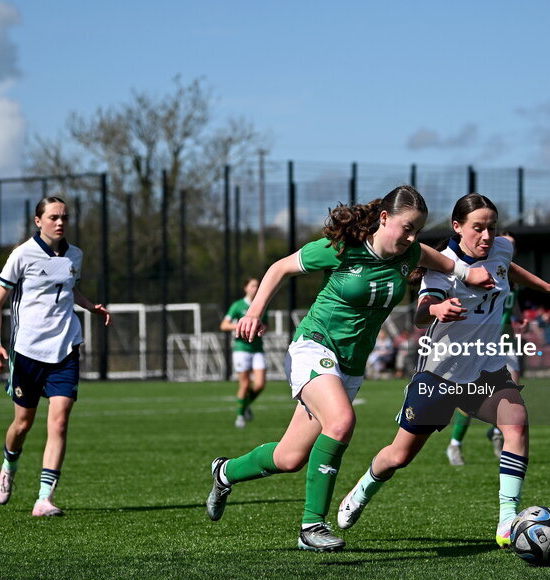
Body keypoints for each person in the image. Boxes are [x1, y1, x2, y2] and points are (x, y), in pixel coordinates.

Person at [204, 185, 494, 552]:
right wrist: (254, 312)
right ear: (384, 218)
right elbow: (280, 268)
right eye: (406, 228)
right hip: (314, 346)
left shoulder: (412, 254)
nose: (411, 237)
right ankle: (311, 527)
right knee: (341, 422)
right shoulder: (343, 249)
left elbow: (452, 265)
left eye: (417, 230)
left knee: (290, 458)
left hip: (351, 366)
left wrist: (472, 276)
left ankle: (224, 472)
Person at [334, 193, 550, 547]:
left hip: (486, 368)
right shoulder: (442, 267)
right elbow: (421, 311)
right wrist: (436, 311)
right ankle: (361, 489)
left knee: (516, 422)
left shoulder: (500, 247)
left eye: (491, 228)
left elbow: (506, 266)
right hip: (440, 375)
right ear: (457, 227)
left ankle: (507, 521)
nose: (486, 236)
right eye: (477, 228)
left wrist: (546, 286)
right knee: (399, 456)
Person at [0, 196, 111, 516]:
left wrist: (90, 306)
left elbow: (69, 289)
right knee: (23, 423)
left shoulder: (75, 255)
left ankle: (44, 498)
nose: (60, 222)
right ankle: (8, 467)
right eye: (54, 217)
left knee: (58, 421)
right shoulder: (21, 255)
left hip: (65, 349)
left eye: (65, 217)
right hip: (27, 352)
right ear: (38, 221)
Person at [446, 232, 522, 466]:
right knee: (472, 397)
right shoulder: (482, 272)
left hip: (505, 343)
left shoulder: (512, 279)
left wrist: (519, 321)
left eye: (512, 245)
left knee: (513, 393)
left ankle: (499, 433)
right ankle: (455, 444)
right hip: (481, 343)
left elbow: (513, 309)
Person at [220, 278, 267, 428]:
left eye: (257, 286)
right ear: (246, 288)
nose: (255, 288)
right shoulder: (238, 305)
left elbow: (266, 325)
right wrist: (240, 325)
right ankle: (240, 416)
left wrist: (262, 327)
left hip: (257, 348)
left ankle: (245, 406)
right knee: (245, 384)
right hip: (242, 349)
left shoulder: (263, 304)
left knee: (259, 384)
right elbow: (224, 325)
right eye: (253, 285)